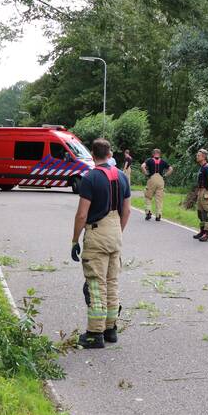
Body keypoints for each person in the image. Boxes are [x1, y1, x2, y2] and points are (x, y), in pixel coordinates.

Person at [70, 138, 131, 348]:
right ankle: (110, 329)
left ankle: (94, 334)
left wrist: (74, 240)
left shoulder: (91, 178)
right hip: (116, 233)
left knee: (96, 283)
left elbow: (81, 215)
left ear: (93, 155)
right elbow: (127, 210)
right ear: (110, 153)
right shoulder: (122, 177)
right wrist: (117, 232)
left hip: (96, 233)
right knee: (112, 283)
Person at [140, 148, 172, 221]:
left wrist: (146, 173)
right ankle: (158, 215)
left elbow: (142, 166)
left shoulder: (149, 160)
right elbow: (171, 169)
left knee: (148, 196)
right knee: (159, 199)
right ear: (160, 154)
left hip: (152, 178)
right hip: (160, 179)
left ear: (153, 154)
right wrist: (165, 175)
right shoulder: (163, 161)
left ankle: (148, 212)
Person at [194, 148, 208, 242]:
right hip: (201, 192)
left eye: (198, 155)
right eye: (197, 155)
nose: (197, 156)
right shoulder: (201, 167)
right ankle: (202, 232)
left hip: (206, 192)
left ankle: (207, 235)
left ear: (204, 157)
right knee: (200, 213)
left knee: (206, 213)